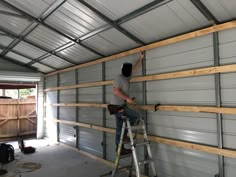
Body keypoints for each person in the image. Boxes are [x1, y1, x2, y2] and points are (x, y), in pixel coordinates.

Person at [111, 52, 144, 155]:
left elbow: (134, 70)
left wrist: (140, 59)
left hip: (121, 105)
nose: (130, 72)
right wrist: (127, 98)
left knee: (120, 126)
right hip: (116, 106)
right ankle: (122, 140)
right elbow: (116, 91)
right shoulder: (119, 78)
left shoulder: (126, 77)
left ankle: (120, 148)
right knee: (136, 116)